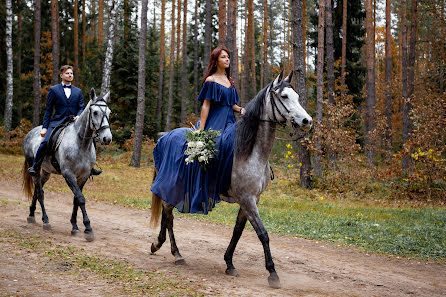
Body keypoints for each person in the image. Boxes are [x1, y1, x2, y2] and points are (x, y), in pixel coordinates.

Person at [151, 45, 245, 214]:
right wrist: (201, 130)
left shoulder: (229, 81)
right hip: (214, 122)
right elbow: (206, 106)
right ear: (216, 61)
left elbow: (232, 104)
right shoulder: (211, 81)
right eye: (223, 57)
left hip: (230, 121)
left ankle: (232, 185)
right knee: (215, 146)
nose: (227, 59)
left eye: (228, 57)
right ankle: (206, 186)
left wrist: (241, 110)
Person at [28, 65, 102, 177]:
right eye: (67, 73)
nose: (70, 75)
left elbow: (81, 107)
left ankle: (90, 166)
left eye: (71, 73)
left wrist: (78, 115)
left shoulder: (78, 91)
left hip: (73, 123)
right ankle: (35, 165)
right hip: (57, 122)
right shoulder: (54, 90)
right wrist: (44, 127)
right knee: (45, 141)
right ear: (61, 75)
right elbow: (48, 110)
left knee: (90, 140)